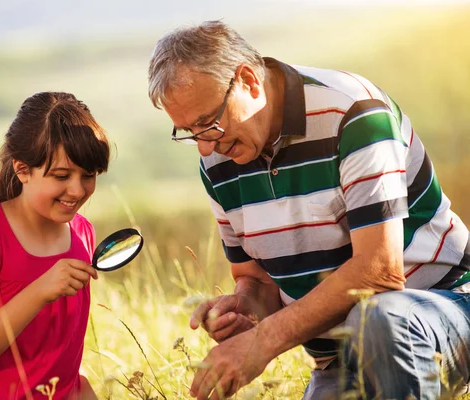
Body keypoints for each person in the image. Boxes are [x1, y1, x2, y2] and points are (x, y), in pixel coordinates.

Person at [148, 20, 470, 400]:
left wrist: (263, 343)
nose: (205, 148)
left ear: (249, 81)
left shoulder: (353, 112)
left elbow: (379, 272)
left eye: (208, 123)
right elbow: (258, 281)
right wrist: (246, 312)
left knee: (384, 319)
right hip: (337, 359)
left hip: (442, 313)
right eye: (188, 132)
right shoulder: (217, 160)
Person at [0, 92, 110, 399]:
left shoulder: (82, 233)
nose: (77, 190)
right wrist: (39, 292)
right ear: (22, 170)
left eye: (89, 175)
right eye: (61, 176)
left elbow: (58, 356)